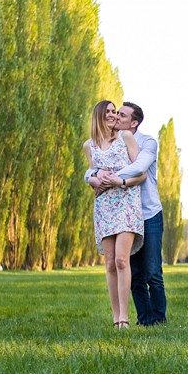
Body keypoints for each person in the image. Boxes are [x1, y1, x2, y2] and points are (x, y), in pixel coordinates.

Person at [88, 101, 166, 325]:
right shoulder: (109, 142)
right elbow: (94, 160)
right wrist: (91, 174)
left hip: (147, 212)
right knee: (132, 271)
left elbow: (139, 168)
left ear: (134, 123)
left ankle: (158, 320)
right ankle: (143, 320)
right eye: (114, 113)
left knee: (152, 271)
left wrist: (106, 176)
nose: (116, 118)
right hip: (119, 210)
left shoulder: (147, 142)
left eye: (121, 115)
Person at [83, 100, 146, 328]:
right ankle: (115, 317)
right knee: (109, 263)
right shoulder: (89, 146)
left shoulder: (126, 138)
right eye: (108, 112)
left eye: (114, 112)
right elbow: (92, 174)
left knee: (121, 260)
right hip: (104, 206)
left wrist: (120, 181)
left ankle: (125, 319)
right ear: (99, 115)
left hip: (126, 203)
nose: (113, 115)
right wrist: (93, 180)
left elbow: (141, 174)